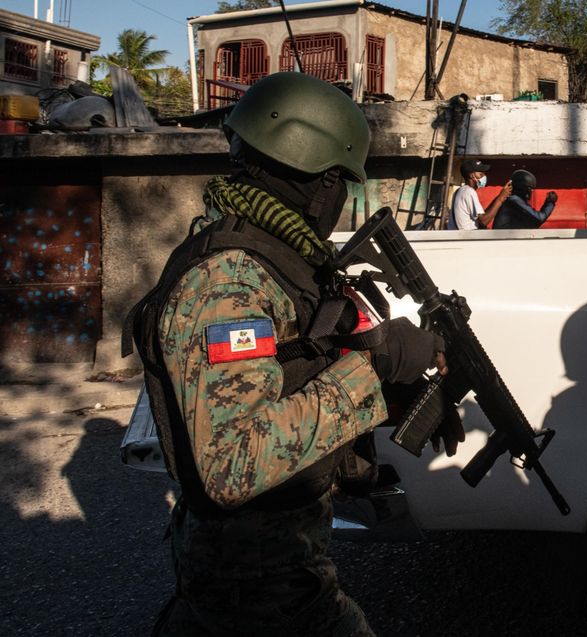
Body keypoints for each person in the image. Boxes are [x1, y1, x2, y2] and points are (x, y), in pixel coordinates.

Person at [128, 72, 459, 637]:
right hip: (255, 585)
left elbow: (291, 376)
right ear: (323, 182)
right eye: (342, 186)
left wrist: (392, 396)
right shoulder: (228, 283)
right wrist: (373, 368)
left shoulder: (281, 263)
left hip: (273, 566)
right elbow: (233, 463)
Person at [447, 158, 511, 230]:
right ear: (472, 176)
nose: (484, 176)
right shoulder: (469, 192)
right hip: (465, 238)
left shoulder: (459, 191)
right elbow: (483, 221)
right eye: (481, 174)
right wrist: (501, 198)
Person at [492, 169, 558, 229]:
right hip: (503, 240)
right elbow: (539, 218)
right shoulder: (514, 200)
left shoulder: (509, 199)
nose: (531, 191)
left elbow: (532, 224)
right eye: (530, 188)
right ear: (523, 188)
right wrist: (550, 202)